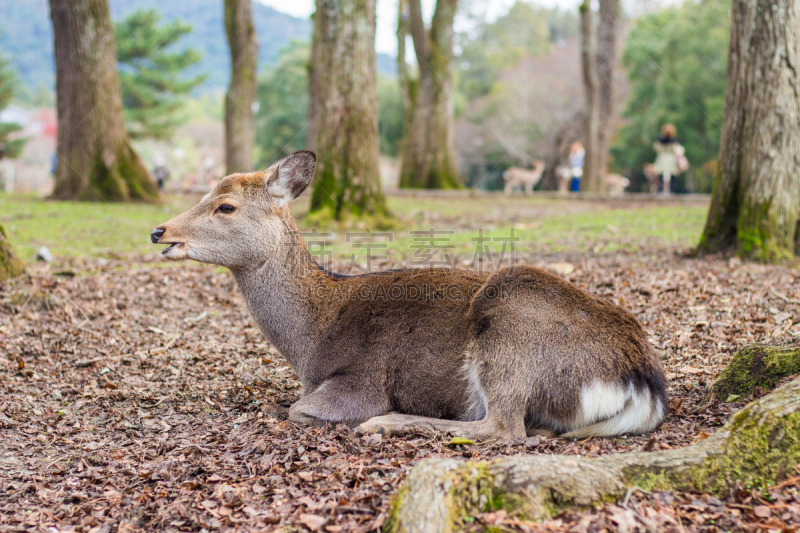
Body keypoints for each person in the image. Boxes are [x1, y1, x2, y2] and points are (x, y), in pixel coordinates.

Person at [651, 124, 687, 194]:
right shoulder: (660, 140)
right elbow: (656, 148)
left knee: (673, 175)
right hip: (663, 158)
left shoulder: (675, 141)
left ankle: (672, 190)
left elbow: (679, 150)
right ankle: (660, 190)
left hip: (671, 159)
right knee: (660, 175)